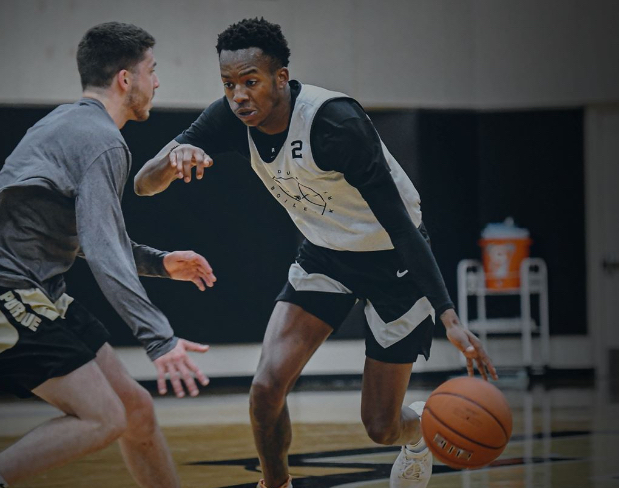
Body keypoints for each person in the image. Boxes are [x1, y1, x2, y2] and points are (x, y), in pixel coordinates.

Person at [135, 17, 497, 488]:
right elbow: (144, 185)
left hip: (394, 261)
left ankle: (420, 430)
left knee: (381, 427)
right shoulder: (227, 117)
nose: (239, 95)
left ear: (280, 78)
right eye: (228, 84)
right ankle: (276, 484)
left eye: (250, 81)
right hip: (325, 256)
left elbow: (401, 226)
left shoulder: (335, 123)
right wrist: (173, 158)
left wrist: (449, 317)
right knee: (265, 389)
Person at [0, 22, 217, 488]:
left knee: (134, 410)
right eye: (151, 70)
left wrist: (160, 264)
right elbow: (101, 251)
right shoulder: (101, 140)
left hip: (40, 291)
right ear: (126, 78)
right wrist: (159, 338)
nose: (156, 81)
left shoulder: (65, 124)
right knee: (104, 419)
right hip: (10, 293)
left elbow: (89, 237)